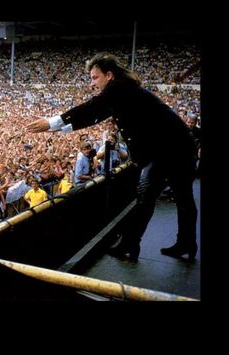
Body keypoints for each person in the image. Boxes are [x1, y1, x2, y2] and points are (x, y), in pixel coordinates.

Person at [26, 52, 197, 262]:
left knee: (152, 197)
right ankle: (181, 245)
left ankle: (134, 245)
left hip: (172, 150)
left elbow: (91, 108)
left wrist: (53, 122)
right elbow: (96, 115)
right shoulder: (122, 90)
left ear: (109, 75)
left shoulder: (118, 88)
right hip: (174, 148)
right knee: (176, 199)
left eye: (94, 77)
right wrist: (61, 128)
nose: (92, 83)